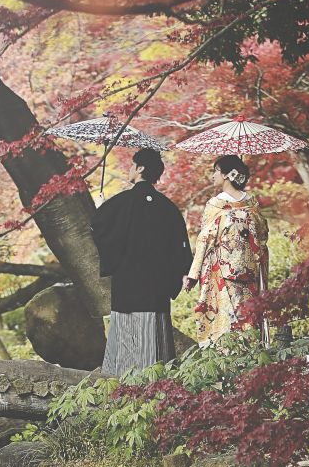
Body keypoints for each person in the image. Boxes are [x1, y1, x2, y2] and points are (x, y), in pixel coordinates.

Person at [91, 147, 193, 377]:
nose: (129, 169)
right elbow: (180, 245)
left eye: (131, 165)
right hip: (157, 288)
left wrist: (100, 209)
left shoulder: (122, 202)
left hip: (127, 285)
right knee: (155, 340)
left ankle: (124, 384)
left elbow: (101, 227)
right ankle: (157, 383)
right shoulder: (168, 207)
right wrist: (183, 272)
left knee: (126, 338)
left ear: (140, 168)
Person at [184, 154, 269, 348]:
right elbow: (263, 237)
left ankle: (228, 356)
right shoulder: (252, 204)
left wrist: (194, 273)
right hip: (250, 271)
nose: (213, 175)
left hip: (222, 271)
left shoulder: (215, 205)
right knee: (248, 315)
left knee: (226, 317)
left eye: (216, 170)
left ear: (227, 175)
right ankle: (251, 355)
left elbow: (204, 240)